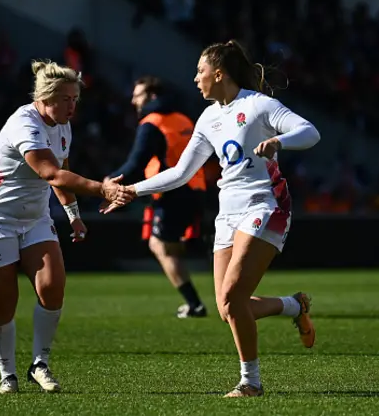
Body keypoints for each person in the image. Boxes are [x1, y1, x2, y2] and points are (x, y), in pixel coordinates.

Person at [103, 40, 320, 397]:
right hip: (227, 213)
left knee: (233, 296)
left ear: (218, 74)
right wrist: (134, 191)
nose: (195, 78)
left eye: (200, 71)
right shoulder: (208, 117)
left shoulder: (259, 105)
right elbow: (181, 172)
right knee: (226, 308)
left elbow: (311, 132)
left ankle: (250, 382)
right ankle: (294, 305)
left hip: (265, 204)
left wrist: (280, 142)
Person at [0, 59, 133, 394]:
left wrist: (72, 213)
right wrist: (103, 188)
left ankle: (39, 364)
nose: (73, 106)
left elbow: (61, 172)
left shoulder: (62, 125)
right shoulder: (23, 124)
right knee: (2, 302)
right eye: (66, 99)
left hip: (35, 218)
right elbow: (50, 173)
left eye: (75, 99)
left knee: (53, 286)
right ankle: (7, 375)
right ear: (45, 97)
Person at [108, 76, 208, 318]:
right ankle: (197, 300)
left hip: (171, 192)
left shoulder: (152, 123)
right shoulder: (183, 119)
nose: (133, 100)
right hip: (196, 189)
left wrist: (110, 179)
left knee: (159, 244)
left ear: (152, 97)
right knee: (173, 245)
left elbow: (136, 163)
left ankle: (195, 304)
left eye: (138, 95)